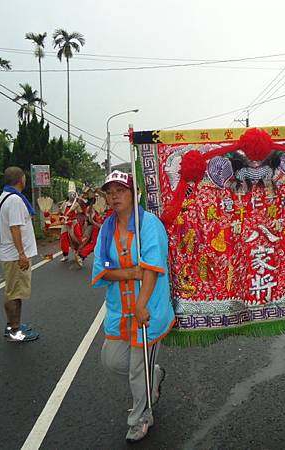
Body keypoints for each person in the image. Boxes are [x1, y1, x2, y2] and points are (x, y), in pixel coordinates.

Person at [91, 170, 175, 442]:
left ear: (133, 194)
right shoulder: (106, 229)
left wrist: (141, 305)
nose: (114, 197)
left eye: (120, 191)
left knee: (138, 370)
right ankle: (155, 375)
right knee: (112, 360)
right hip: (119, 309)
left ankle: (141, 417)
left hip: (147, 309)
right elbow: (102, 269)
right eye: (110, 192)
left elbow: (151, 268)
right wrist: (129, 273)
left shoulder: (148, 224)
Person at [0, 167, 39, 342]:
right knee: (14, 293)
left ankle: (14, 325)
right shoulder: (14, 200)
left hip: (12, 254)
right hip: (15, 255)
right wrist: (21, 254)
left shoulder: (5, 196)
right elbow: (15, 227)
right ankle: (15, 331)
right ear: (21, 179)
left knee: (14, 291)